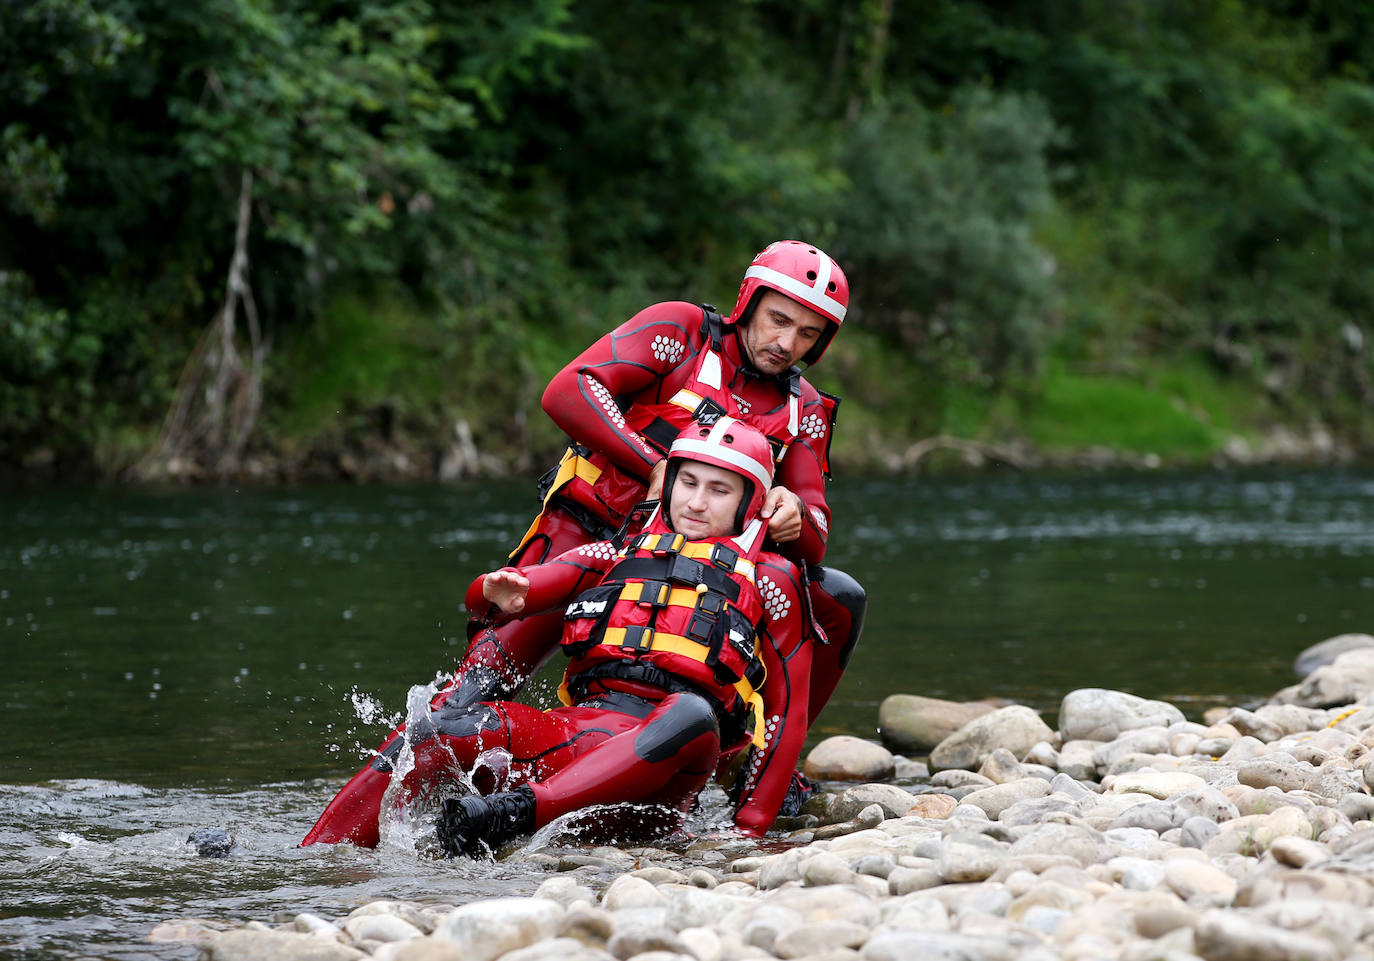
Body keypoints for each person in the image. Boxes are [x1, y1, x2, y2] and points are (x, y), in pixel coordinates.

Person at [302, 419, 813, 854]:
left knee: (692, 714)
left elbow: (788, 715)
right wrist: (497, 590)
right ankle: (316, 852)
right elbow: (493, 596)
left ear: (751, 501)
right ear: (670, 482)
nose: (697, 503)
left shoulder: (770, 579)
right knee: (444, 722)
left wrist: (749, 834)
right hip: (575, 741)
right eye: (688, 483)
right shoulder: (617, 554)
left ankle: (515, 815)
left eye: (719, 490)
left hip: (656, 784)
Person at [455, 240, 866, 733]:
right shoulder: (682, 332)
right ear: (749, 302)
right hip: (589, 534)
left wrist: (793, 511)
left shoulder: (807, 410)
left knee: (840, 598)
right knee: (469, 695)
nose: (787, 343)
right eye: (778, 320)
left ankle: (763, 758)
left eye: (808, 333)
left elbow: (815, 535)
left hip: (694, 571)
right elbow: (570, 389)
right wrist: (656, 465)